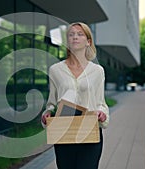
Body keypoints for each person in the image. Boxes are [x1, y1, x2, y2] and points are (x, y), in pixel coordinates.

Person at [41, 22, 110, 169]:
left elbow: (100, 102)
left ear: (88, 42)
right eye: (71, 35)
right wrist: (47, 114)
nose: (75, 37)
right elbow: (52, 103)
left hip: (90, 131)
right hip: (63, 131)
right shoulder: (55, 70)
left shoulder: (98, 71)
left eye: (80, 34)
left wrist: (102, 114)